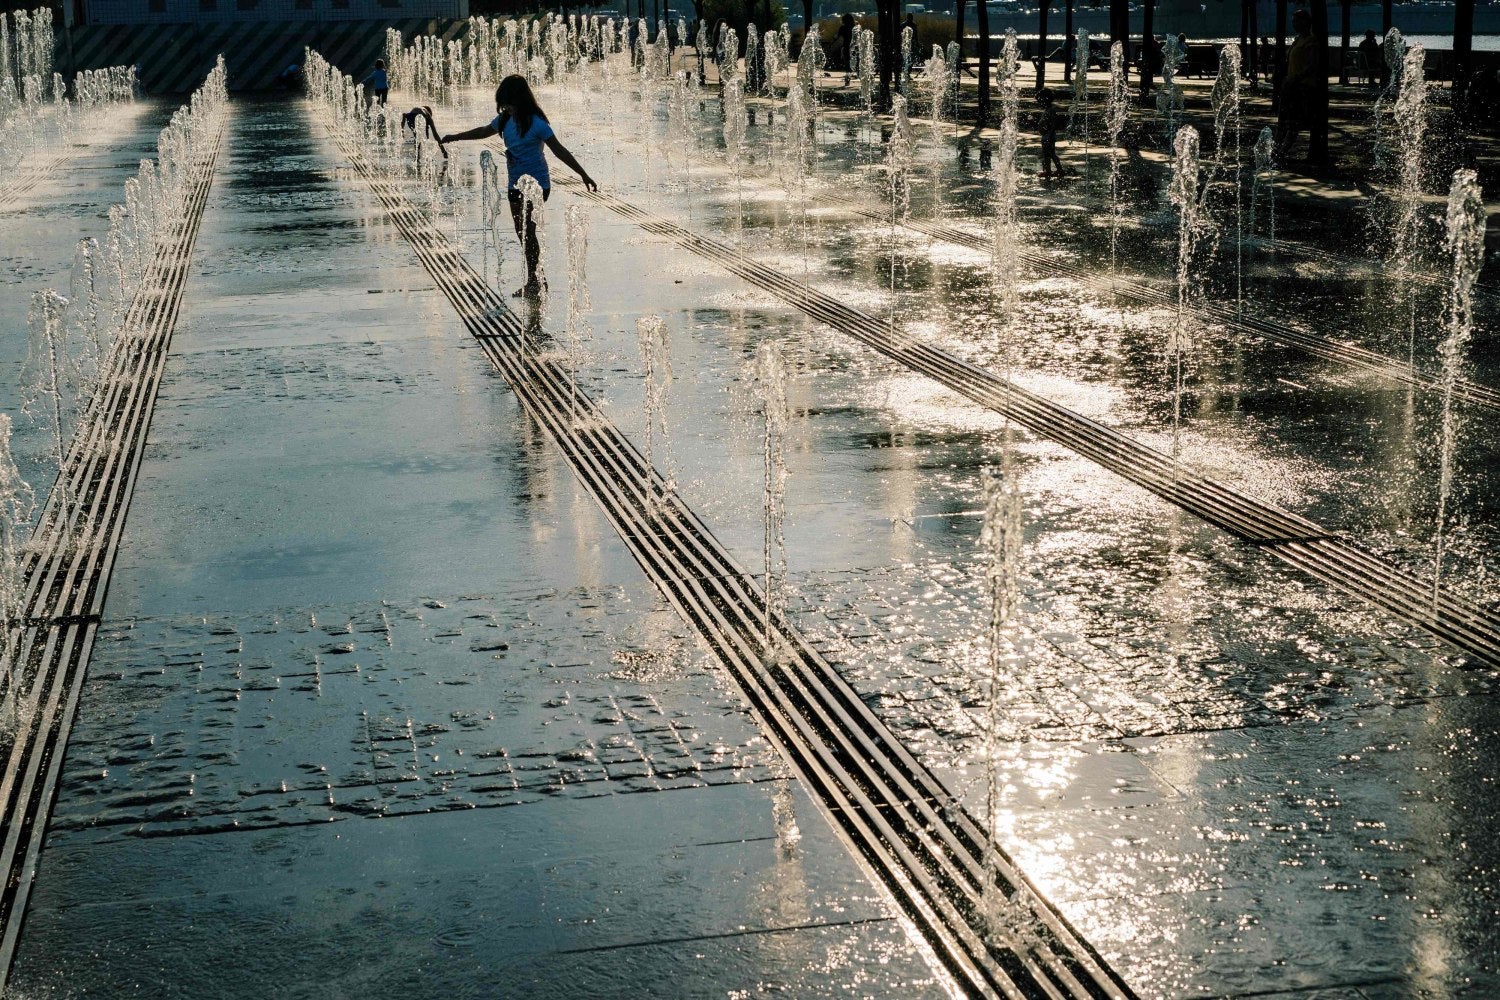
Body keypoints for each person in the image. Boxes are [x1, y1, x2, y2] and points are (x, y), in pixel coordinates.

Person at [441, 75, 599, 299]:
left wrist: (583, 174)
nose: (505, 107)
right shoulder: (505, 120)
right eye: (503, 103)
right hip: (515, 184)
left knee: (528, 232)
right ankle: (536, 279)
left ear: (519, 99)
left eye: (508, 102)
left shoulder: (537, 123)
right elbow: (483, 131)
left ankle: (536, 281)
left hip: (537, 185)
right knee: (523, 233)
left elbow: (559, 150)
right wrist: (455, 137)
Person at [1275, 9, 1316, 160]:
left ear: (1306, 22)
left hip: (1302, 87)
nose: (1294, 24)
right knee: (1284, 120)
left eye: (1297, 21)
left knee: (1294, 121)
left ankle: (1281, 152)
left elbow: (1312, 65)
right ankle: (1277, 149)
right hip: (1291, 86)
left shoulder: (1311, 41)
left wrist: (1297, 78)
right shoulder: (1297, 40)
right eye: (1293, 21)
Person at [1037, 88, 1066, 178]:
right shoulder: (1048, 109)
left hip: (1048, 136)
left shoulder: (1051, 110)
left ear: (1045, 100)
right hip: (1046, 135)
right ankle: (1049, 171)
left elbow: (1054, 123)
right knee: (1047, 154)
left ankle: (1059, 170)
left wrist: (1050, 133)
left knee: (1051, 154)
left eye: (1040, 100)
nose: (1040, 103)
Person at [836, 13, 855, 77]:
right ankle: (855, 73)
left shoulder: (843, 27)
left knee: (847, 60)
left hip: (846, 45)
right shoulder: (854, 27)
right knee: (855, 59)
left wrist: (831, 43)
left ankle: (848, 74)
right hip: (854, 46)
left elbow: (837, 37)